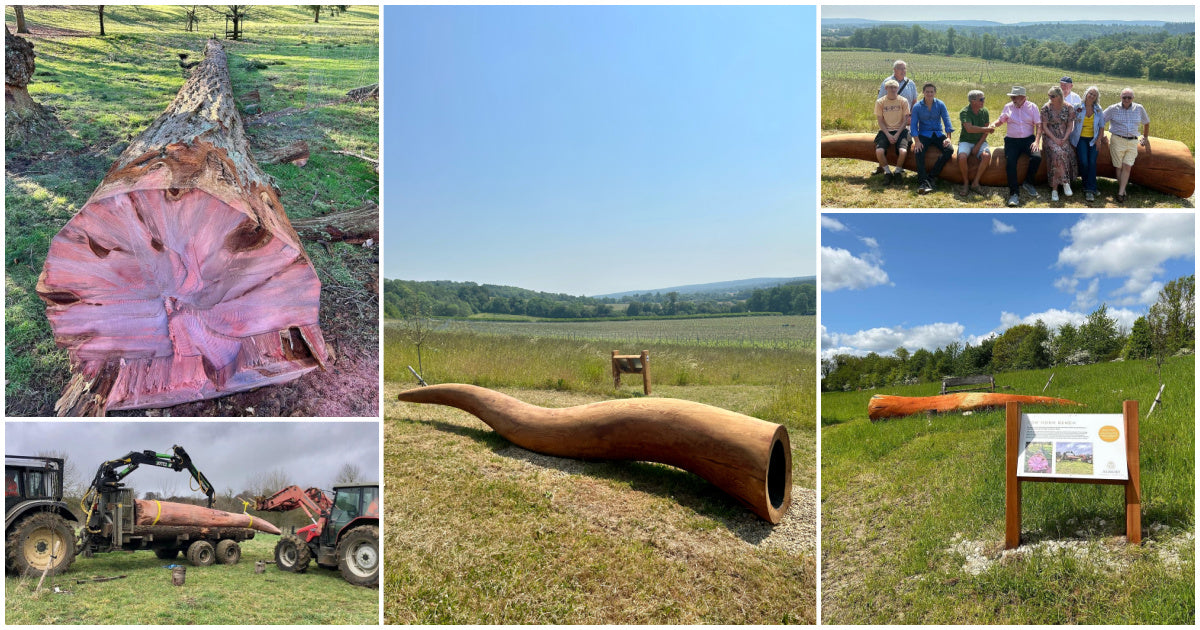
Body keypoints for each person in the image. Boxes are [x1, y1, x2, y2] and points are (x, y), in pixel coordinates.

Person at [993, 86, 1042, 207]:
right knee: (1010, 163)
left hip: (1028, 139)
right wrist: (993, 125)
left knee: (1036, 157)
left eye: (1015, 97)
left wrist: (1036, 142)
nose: (1013, 99)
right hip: (1012, 141)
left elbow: (1039, 125)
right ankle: (1014, 194)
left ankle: (1028, 183)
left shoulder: (1032, 107)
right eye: (1012, 97)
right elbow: (1001, 120)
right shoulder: (1008, 107)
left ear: (1023, 97)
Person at [1100, 87, 1150, 204]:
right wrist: (1102, 136)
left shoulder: (1139, 108)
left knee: (1127, 166)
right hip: (1117, 140)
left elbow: (1146, 122)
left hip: (1133, 141)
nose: (1126, 99)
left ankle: (1121, 192)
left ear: (1133, 98)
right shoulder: (1113, 108)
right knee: (1119, 167)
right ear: (1120, 97)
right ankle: (1122, 190)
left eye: (1129, 97)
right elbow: (1100, 120)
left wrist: (1146, 136)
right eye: (1124, 97)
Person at [871, 60, 918, 176]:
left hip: (906, 119)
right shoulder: (887, 82)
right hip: (888, 120)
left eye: (905, 68)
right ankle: (882, 166)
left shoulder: (910, 83)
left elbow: (914, 101)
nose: (903, 71)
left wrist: (912, 116)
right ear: (894, 70)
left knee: (904, 143)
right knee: (884, 143)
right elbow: (881, 100)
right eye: (901, 69)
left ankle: (900, 168)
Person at [909, 83, 954, 194]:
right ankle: (922, 181)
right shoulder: (917, 106)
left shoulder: (940, 104)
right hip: (924, 134)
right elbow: (913, 125)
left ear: (935, 92)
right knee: (918, 151)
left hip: (938, 134)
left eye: (931, 92)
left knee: (949, 150)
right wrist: (917, 141)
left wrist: (948, 138)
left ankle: (931, 177)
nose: (929, 94)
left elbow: (947, 121)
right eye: (927, 91)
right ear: (923, 92)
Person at [1040, 86, 1076, 202]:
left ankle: (1055, 190)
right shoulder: (1045, 108)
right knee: (1058, 153)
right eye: (1049, 96)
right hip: (1050, 137)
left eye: (1053, 96)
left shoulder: (1069, 108)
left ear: (1060, 96)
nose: (1050, 98)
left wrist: (1065, 138)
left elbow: (1070, 125)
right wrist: (1055, 139)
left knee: (1060, 154)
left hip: (1064, 137)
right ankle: (1065, 182)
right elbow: (1044, 126)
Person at [955, 90, 993, 196]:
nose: (983, 101)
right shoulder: (964, 112)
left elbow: (986, 131)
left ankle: (975, 182)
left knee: (986, 156)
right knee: (962, 157)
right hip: (965, 141)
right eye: (981, 99)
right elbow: (969, 129)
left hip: (980, 141)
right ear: (973, 101)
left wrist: (979, 145)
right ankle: (966, 182)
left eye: (983, 98)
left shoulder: (985, 111)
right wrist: (986, 129)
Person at [874, 79, 911, 184]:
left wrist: (898, 134)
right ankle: (887, 173)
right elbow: (880, 121)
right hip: (885, 131)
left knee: (903, 151)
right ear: (886, 88)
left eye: (895, 87)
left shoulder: (903, 101)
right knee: (879, 151)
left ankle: (898, 171)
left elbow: (905, 120)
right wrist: (888, 134)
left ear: (897, 88)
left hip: (901, 130)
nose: (893, 89)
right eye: (890, 87)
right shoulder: (880, 102)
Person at [1071, 86, 1104, 202]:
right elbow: (1070, 121)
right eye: (1090, 93)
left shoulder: (1098, 109)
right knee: (1084, 162)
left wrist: (1099, 140)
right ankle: (1088, 186)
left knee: (1092, 162)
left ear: (1096, 98)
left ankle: (1090, 189)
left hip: (1093, 140)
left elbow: (1101, 126)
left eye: (1094, 95)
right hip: (1080, 139)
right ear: (1086, 94)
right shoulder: (1077, 107)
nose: (1091, 96)